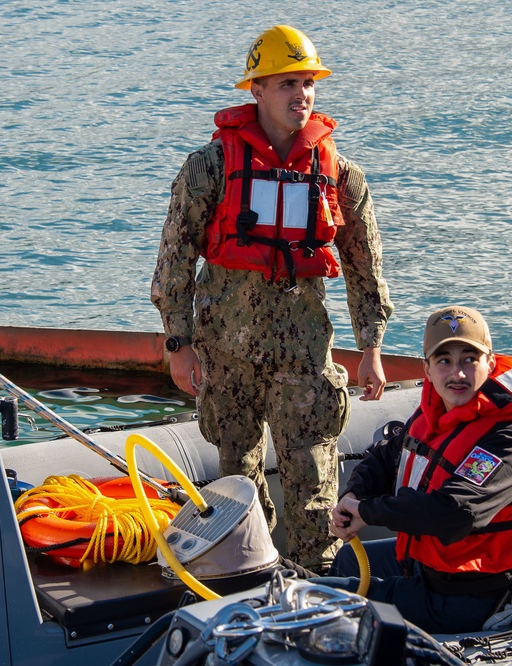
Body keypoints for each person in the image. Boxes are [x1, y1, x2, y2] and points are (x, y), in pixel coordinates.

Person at [151, 25, 394, 573]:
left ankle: (322, 585)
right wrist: (178, 344)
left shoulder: (339, 174)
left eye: (308, 83)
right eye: (287, 83)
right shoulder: (209, 168)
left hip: (303, 359)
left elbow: (365, 265)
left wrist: (371, 348)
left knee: (314, 482)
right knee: (238, 479)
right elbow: (174, 259)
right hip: (225, 357)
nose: (301, 95)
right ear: (256, 91)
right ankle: (254, 579)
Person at [322, 306, 512, 634]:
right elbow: (384, 457)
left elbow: (454, 512)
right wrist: (354, 494)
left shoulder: (511, 439)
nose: (457, 374)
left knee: (329, 598)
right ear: (427, 369)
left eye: (469, 359)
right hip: (432, 565)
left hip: (475, 594)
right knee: (348, 562)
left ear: (490, 364)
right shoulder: (435, 417)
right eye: (444, 360)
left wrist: (367, 511)